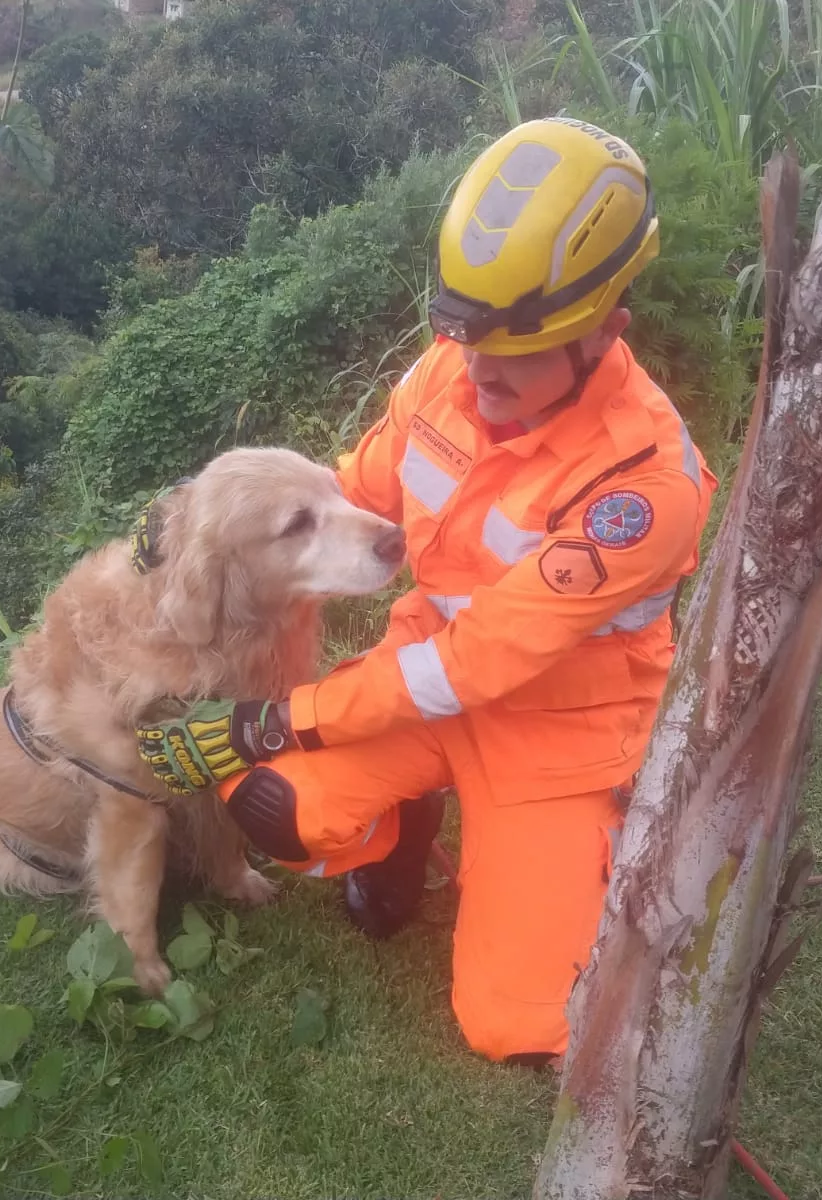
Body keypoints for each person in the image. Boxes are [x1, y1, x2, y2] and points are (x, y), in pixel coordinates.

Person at [135, 116, 720, 1065]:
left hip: (557, 732)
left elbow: (479, 662)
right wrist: (197, 522)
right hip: (422, 681)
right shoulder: (453, 371)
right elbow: (357, 491)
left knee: (520, 1025)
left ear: (606, 331)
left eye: (516, 349)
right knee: (273, 803)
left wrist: (283, 716)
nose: (478, 371)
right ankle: (410, 821)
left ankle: (578, 854)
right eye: (465, 337)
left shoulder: (643, 488)